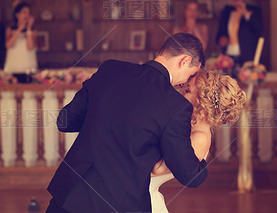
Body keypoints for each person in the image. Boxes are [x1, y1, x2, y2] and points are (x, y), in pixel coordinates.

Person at [46, 33, 207, 213]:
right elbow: (189, 176)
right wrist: (204, 145)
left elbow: (65, 120)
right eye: (191, 74)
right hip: (118, 205)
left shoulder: (110, 69)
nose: (185, 81)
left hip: (70, 193)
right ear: (184, 60)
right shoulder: (176, 107)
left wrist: (102, 117)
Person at [150, 70, 246, 212]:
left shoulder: (200, 137)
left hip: (142, 194)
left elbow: (156, 170)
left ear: (202, 102)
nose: (180, 92)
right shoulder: (182, 123)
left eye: (187, 90)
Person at [216, 0, 263, 65]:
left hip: (247, 56)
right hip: (228, 55)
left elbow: (259, 29)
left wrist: (246, 13)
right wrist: (222, 39)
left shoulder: (255, 9)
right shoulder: (226, 11)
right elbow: (220, 33)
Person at [4, 2, 37, 82]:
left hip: (29, 69)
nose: (27, 16)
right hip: (13, 69)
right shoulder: (10, 30)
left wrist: (28, 28)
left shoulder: (33, 31)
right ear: (17, 14)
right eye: (24, 12)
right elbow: (8, 45)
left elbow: (30, 47)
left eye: (28, 13)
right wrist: (19, 29)